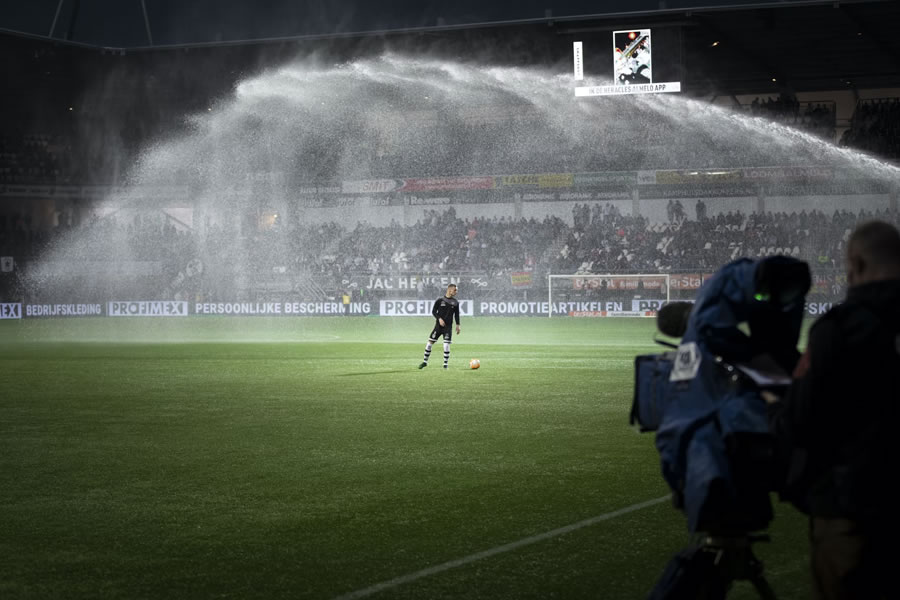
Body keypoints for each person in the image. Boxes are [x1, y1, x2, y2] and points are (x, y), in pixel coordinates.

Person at [766, 220, 900, 600]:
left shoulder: (841, 328)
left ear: (855, 264)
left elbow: (802, 423)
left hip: (854, 509)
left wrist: (773, 409)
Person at [419, 283, 461, 369]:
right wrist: (439, 319)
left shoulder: (455, 302)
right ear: (450, 290)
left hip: (448, 327)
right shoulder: (439, 300)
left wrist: (458, 325)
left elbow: (456, 315)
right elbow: (434, 312)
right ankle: (424, 362)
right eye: (455, 290)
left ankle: (445, 364)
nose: (456, 292)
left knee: (446, 345)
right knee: (429, 343)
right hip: (438, 327)